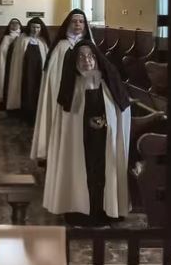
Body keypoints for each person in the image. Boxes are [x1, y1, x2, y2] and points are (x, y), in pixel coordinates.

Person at [42, 41, 131, 227]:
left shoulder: (108, 83)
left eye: (90, 56)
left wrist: (106, 123)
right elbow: (67, 121)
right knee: (82, 175)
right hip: (80, 142)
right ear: (75, 61)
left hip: (104, 140)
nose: (86, 60)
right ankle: (80, 211)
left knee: (103, 175)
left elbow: (120, 111)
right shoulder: (71, 86)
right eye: (81, 56)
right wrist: (86, 123)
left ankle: (106, 211)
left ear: (97, 59)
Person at [30, 9, 94, 161]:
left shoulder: (90, 46)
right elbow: (52, 75)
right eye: (74, 21)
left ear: (85, 25)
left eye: (81, 21)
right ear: (68, 24)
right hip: (61, 93)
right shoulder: (61, 46)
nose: (78, 24)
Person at [5, 17, 51, 123]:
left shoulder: (43, 41)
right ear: (29, 28)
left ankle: (37, 112)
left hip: (39, 71)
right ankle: (26, 112)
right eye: (33, 27)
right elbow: (17, 58)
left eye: (38, 27)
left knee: (38, 90)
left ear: (41, 29)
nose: (35, 30)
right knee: (26, 90)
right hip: (26, 71)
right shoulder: (23, 39)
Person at [0, 18, 22, 110]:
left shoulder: (23, 37)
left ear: (20, 25)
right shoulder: (6, 37)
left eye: (16, 23)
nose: (14, 25)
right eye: (12, 23)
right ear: (9, 25)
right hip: (6, 65)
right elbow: (1, 52)